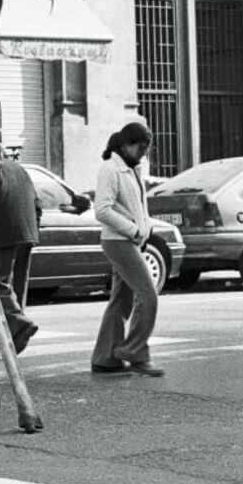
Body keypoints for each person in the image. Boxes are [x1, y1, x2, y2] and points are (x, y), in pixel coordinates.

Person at [91, 121, 164, 377]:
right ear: (125, 144)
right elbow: (102, 210)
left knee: (120, 301)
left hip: (129, 240)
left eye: (146, 149)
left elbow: (135, 206)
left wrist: (146, 227)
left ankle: (106, 357)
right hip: (118, 241)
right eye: (140, 148)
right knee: (148, 296)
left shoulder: (131, 169)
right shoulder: (111, 169)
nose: (143, 153)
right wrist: (133, 230)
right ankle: (135, 352)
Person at [0, 148, 41, 355]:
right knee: (17, 284)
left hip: (3, 233)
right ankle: (16, 332)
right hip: (28, 232)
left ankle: (21, 324)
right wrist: (34, 231)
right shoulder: (20, 169)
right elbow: (37, 202)